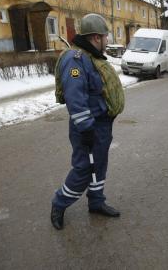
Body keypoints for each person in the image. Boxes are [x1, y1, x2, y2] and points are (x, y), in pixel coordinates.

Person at [51, 13, 125, 230]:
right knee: (84, 168)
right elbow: (75, 97)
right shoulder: (75, 60)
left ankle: (96, 202)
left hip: (101, 125)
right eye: (105, 36)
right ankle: (59, 203)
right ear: (95, 37)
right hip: (88, 127)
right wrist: (86, 128)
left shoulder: (91, 56)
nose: (107, 40)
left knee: (98, 165)